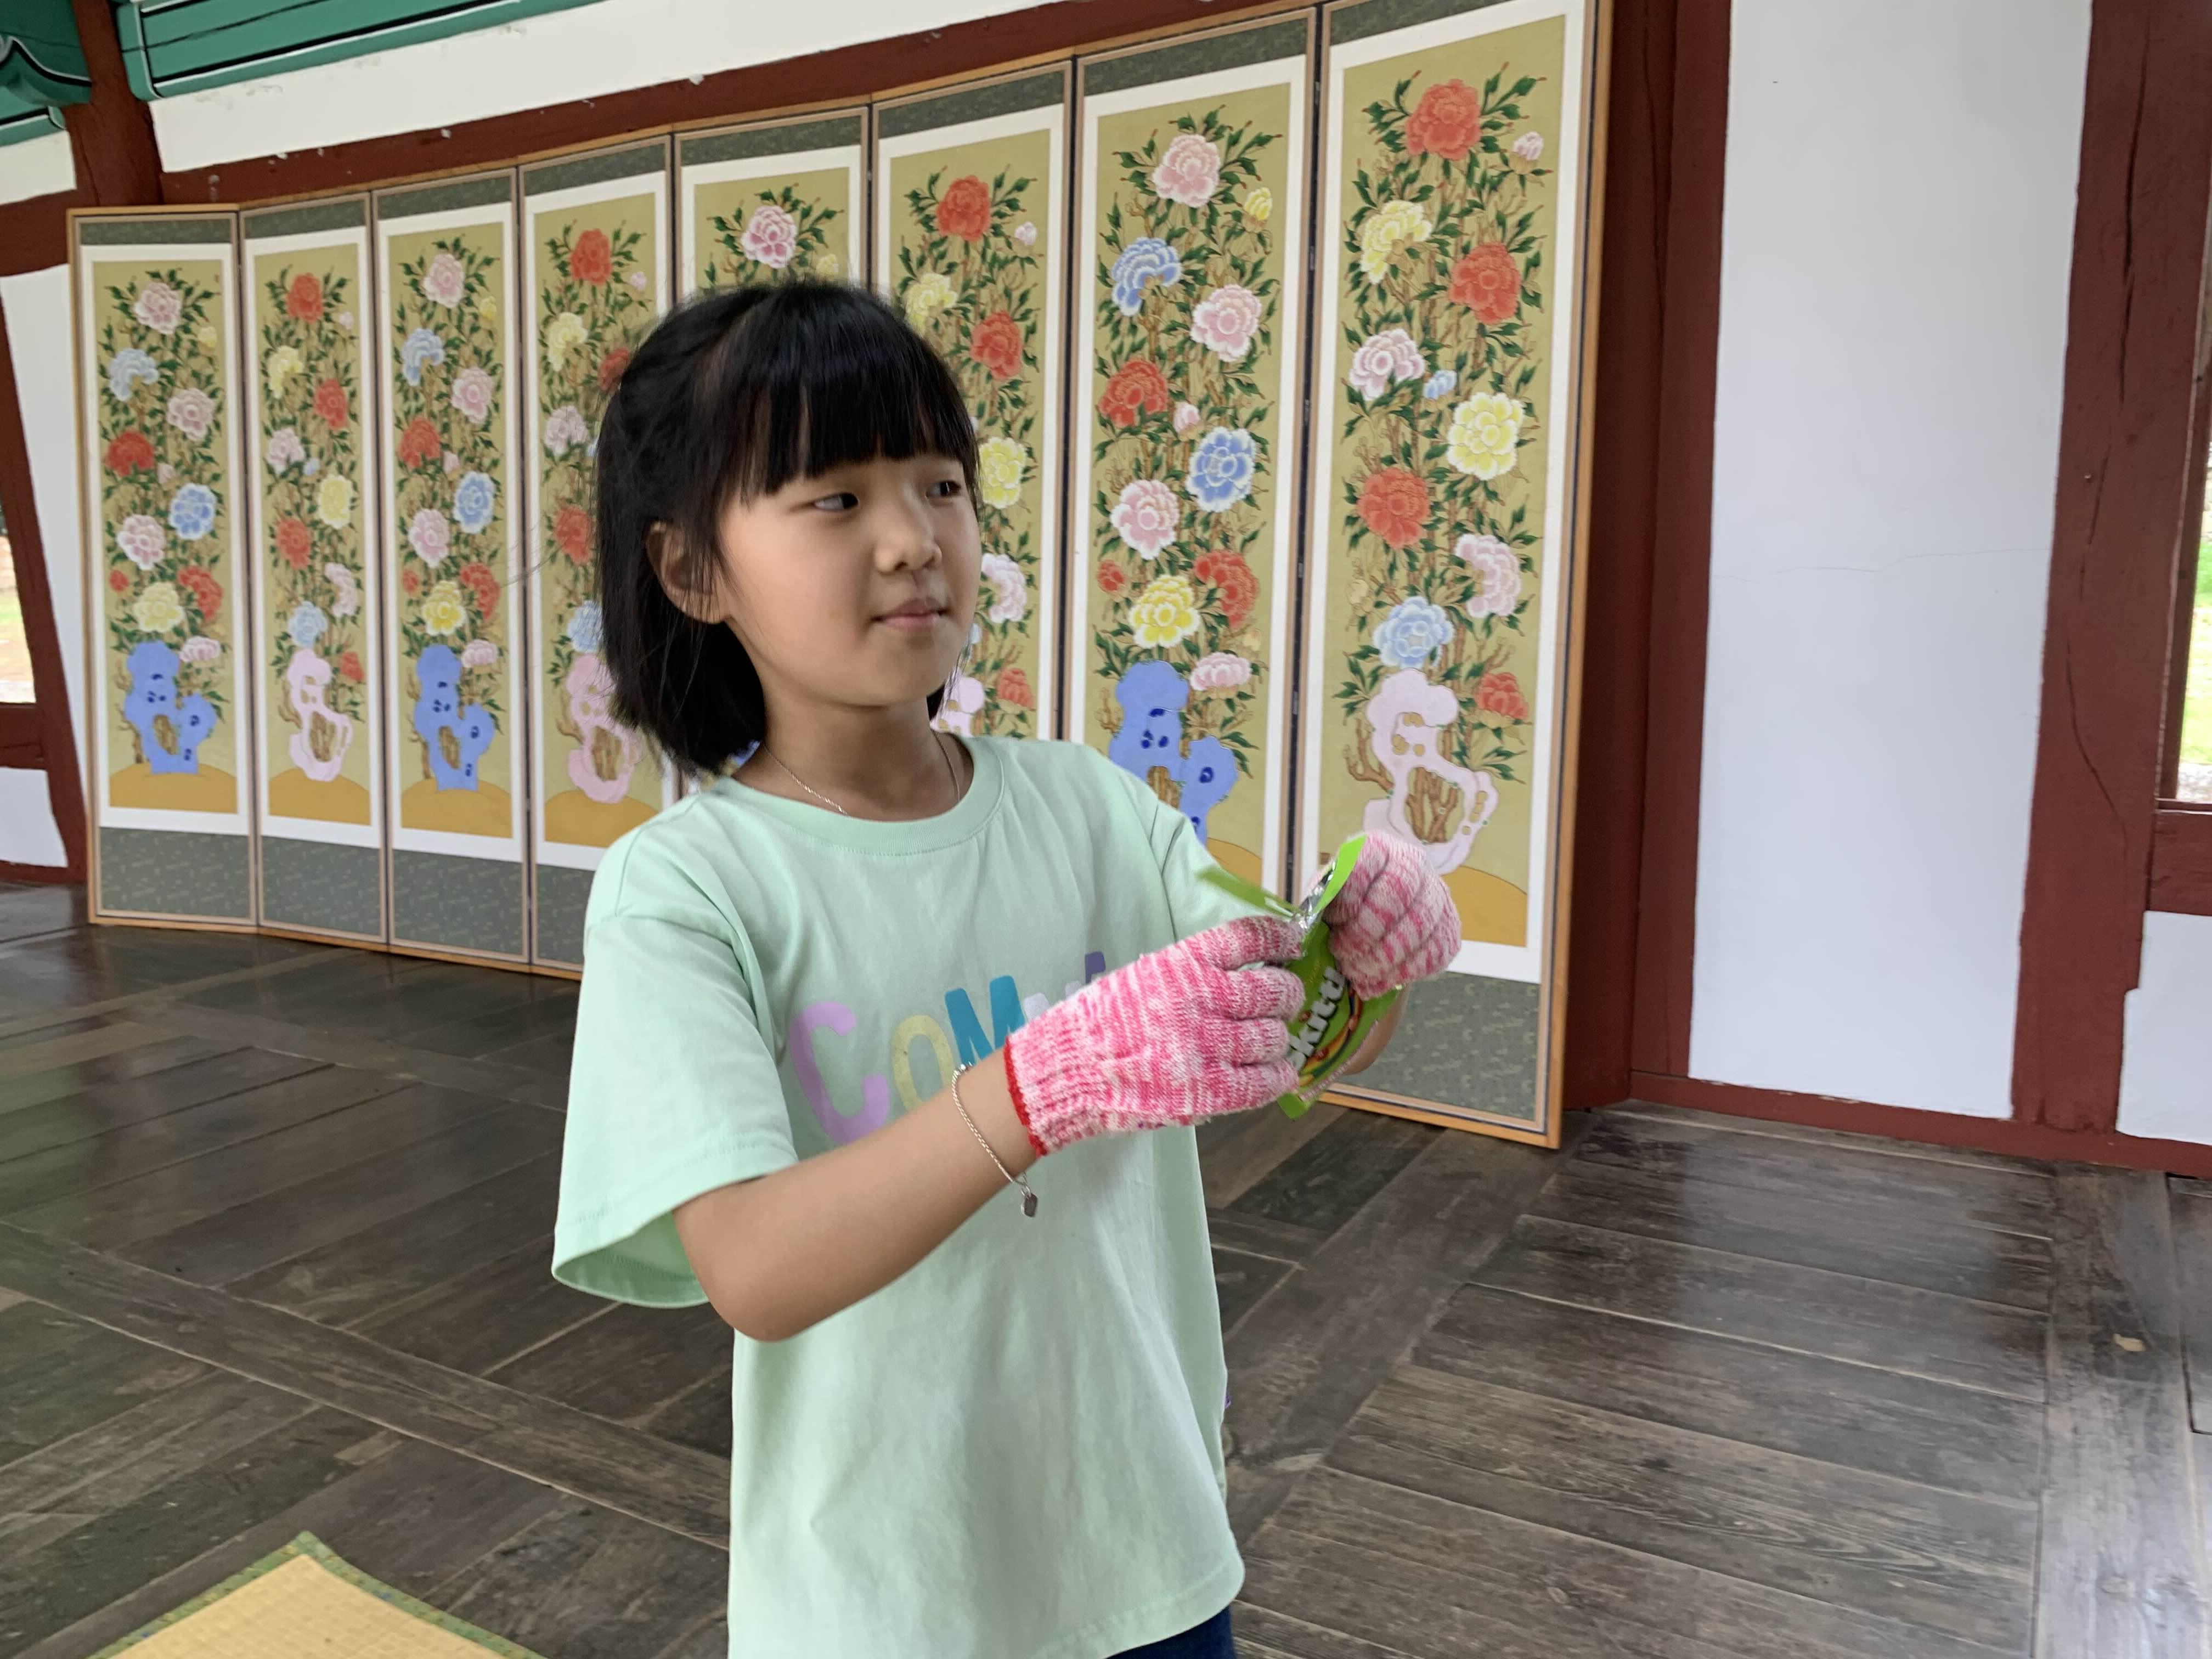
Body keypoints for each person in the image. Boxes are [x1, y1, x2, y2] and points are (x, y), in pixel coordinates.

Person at [551, 281, 1460, 1659]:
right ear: (692, 572)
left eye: (941, 484)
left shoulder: (1087, 807)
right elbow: (753, 1268)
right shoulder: (686, 889)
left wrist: (1365, 965)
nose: (915, 539)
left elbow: (1290, 1028)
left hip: (1145, 1543)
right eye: (836, 498)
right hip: (887, 1597)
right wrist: (1034, 1089)